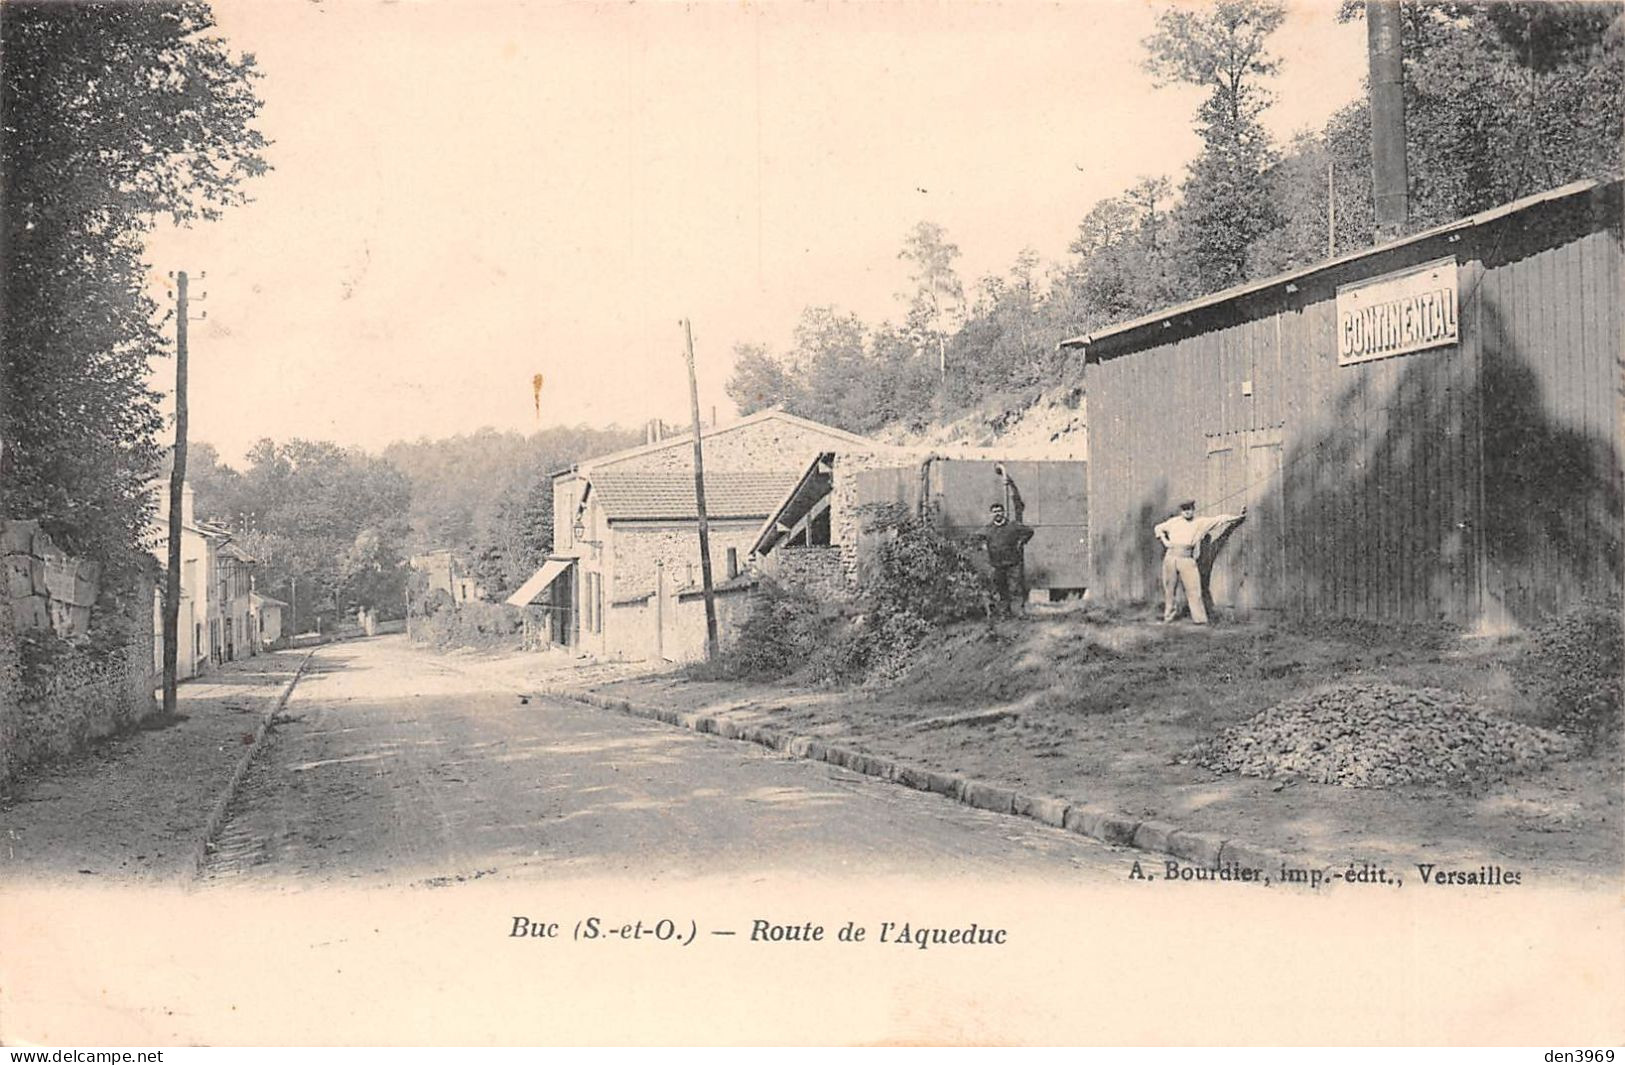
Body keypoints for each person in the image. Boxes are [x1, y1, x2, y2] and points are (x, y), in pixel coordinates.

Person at [1154, 500, 1247, 625]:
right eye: (1184, 509)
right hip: (1170, 557)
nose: (1187, 512)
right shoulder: (1173, 522)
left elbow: (1220, 519)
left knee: (1194, 589)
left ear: (1193, 509)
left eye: (1190, 509)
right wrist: (1165, 541)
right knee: (1170, 589)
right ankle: (1168, 617)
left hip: (1187, 559)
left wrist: (1237, 517)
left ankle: (1200, 620)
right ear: (1181, 511)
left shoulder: (1200, 522)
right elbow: (1158, 528)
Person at [982, 501, 1034, 618]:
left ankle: (1020, 612)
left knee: (1015, 587)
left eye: (999, 511)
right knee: (1001, 589)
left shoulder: (1013, 526)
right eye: (994, 512)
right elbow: (976, 537)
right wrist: (983, 545)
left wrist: (1021, 541)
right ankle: (1005, 613)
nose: (997, 514)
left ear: (1004, 512)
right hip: (997, 564)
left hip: (1013, 563)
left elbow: (1029, 531)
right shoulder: (988, 529)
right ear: (991, 514)